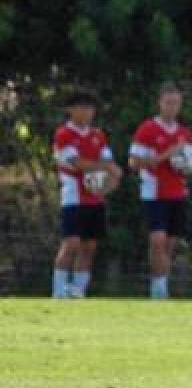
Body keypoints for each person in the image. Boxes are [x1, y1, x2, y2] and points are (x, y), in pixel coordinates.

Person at [51, 90, 122, 298]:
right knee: (71, 242)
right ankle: (58, 290)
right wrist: (107, 167)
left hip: (95, 198)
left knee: (89, 246)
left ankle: (78, 290)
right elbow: (76, 163)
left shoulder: (98, 135)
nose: (87, 112)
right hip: (73, 197)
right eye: (82, 107)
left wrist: (112, 180)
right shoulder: (64, 134)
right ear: (70, 110)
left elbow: (110, 163)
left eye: (90, 108)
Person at [128, 82, 192, 299]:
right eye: (168, 103)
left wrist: (191, 166)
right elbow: (133, 162)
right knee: (157, 240)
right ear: (160, 103)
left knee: (169, 244)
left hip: (178, 193)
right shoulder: (147, 129)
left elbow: (189, 163)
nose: (172, 107)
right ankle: (159, 290)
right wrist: (166, 154)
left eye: (176, 103)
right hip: (154, 193)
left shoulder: (184, 133)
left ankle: (160, 282)